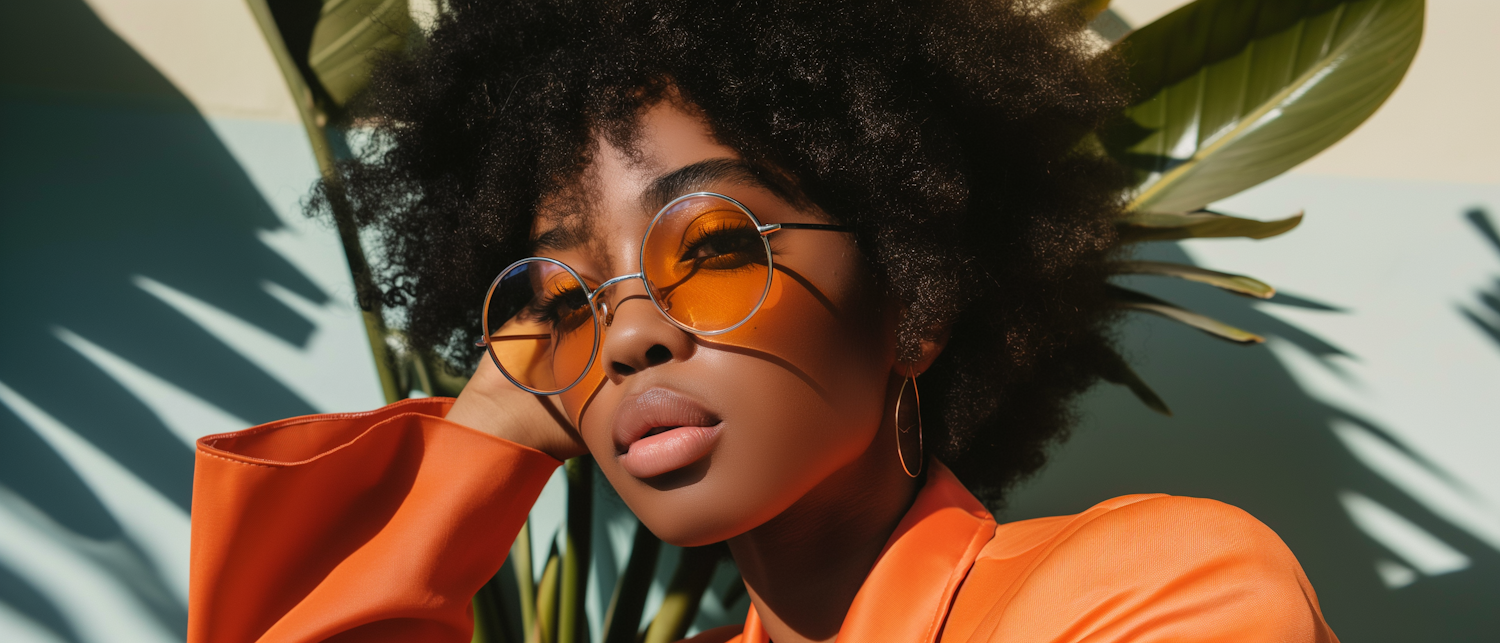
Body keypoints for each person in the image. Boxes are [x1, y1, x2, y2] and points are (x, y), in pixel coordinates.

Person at [187, 1, 1339, 641]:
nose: (629, 333)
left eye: (720, 247)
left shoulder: (1151, 588)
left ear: (916, 299)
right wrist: (490, 418)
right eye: (564, 297)